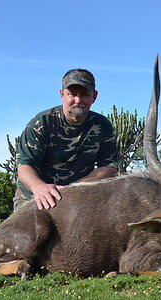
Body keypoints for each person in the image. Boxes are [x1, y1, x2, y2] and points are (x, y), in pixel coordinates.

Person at [14, 68, 118, 212]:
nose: (78, 100)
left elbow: (109, 167)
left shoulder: (102, 125)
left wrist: (76, 187)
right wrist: (39, 187)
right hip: (35, 196)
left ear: (94, 96)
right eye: (72, 94)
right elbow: (25, 166)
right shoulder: (41, 123)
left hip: (79, 196)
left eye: (85, 95)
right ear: (62, 95)